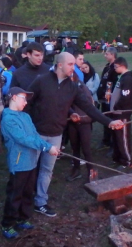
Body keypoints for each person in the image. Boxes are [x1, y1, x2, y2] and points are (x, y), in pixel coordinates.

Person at [28, 52, 123, 216]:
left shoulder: (73, 87)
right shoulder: (41, 81)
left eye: (75, 64)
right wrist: (26, 126)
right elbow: (27, 101)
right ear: (60, 65)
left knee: (46, 170)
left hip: (56, 135)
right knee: (29, 169)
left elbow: (89, 108)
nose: (75, 67)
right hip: (36, 134)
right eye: (71, 64)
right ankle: (24, 200)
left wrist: (109, 122)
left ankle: (40, 202)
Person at [0, 87, 59, 239]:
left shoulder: (25, 116)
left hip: (32, 162)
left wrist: (48, 147)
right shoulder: (8, 119)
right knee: (15, 194)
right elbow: (23, 139)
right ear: (13, 97)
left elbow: (34, 135)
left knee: (27, 192)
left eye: (26, 99)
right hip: (19, 164)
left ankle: (22, 218)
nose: (26, 102)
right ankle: (8, 224)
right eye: (23, 98)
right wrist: (46, 147)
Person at [109, 57, 132, 169]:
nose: (114, 69)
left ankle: (127, 160)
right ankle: (118, 157)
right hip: (116, 113)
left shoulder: (128, 79)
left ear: (121, 65)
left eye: (115, 67)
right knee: (117, 137)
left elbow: (126, 97)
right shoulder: (122, 77)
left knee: (123, 137)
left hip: (122, 114)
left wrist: (117, 107)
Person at [97, 47, 118, 148]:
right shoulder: (107, 67)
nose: (105, 55)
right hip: (104, 96)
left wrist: (109, 94)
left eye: (107, 54)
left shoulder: (115, 68)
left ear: (112, 55)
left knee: (111, 117)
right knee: (104, 117)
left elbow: (113, 83)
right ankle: (106, 139)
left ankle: (112, 141)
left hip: (110, 97)